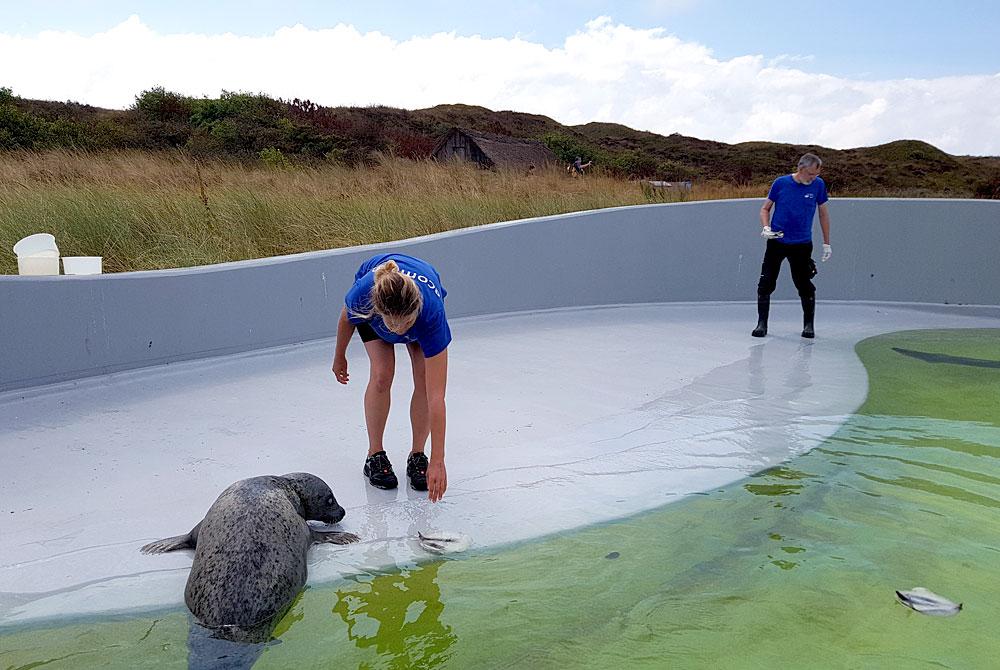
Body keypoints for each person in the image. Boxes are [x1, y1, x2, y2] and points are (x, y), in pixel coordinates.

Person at [332, 253, 450, 502]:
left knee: (424, 378)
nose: (399, 333)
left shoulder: (431, 314)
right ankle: (374, 454)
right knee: (382, 374)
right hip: (380, 308)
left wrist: (438, 459)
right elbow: (347, 318)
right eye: (393, 327)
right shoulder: (365, 293)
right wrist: (339, 356)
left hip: (419, 308)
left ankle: (418, 454)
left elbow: (437, 396)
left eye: (406, 325)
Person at [753, 153, 831, 339]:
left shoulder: (818, 185)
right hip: (777, 241)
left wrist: (827, 243)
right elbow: (765, 208)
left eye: (817, 174)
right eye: (811, 174)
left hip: (802, 243)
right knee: (766, 282)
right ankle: (761, 324)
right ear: (801, 169)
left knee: (804, 283)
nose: (814, 178)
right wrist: (766, 227)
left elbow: (823, 215)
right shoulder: (781, 183)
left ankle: (808, 325)